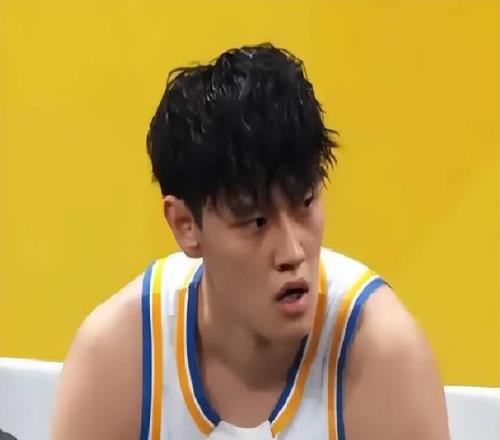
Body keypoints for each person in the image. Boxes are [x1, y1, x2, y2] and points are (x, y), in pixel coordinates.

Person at [52, 43, 450, 440]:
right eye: (256, 222)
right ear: (185, 225)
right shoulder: (119, 358)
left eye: (305, 203)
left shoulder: (383, 356)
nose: (293, 252)